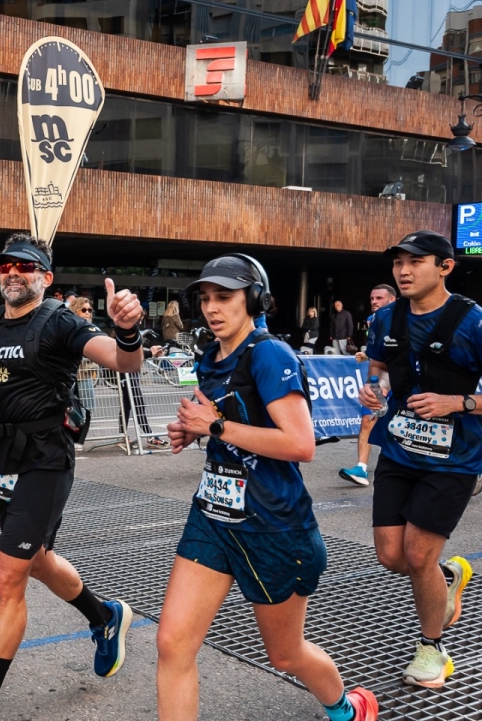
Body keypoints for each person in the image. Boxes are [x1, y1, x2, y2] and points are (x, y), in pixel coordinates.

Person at [158, 254, 378, 721]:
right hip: (213, 518)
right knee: (172, 644)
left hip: (274, 527)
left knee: (285, 655)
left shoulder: (270, 354)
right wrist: (195, 431)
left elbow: (301, 444)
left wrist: (214, 426)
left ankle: (346, 708)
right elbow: (231, 424)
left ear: (254, 300)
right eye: (206, 298)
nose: (212, 308)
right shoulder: (211, 358)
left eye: (225, 297)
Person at [0, 233, 142, 721]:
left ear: (45, 278)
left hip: (47, 459)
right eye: (5, 266)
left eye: (24, 266)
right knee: (37, 558)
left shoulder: (61, 322)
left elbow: (124, 361)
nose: (12, 272)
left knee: (9, 575)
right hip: (3, 456)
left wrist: (128, 331)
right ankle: (105, 617)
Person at [359, 231, 479, 690]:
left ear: (445, 267)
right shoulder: (385, 318)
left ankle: (433, 648)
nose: (403, 271)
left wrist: (459, 403)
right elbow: (380, 368)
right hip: (400, 449)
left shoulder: (473, 322)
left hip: (454, 460)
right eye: (397, 263)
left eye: (416, 262)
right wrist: (375, 389)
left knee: (417, 554)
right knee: (392, 557)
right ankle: (448, 575)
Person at [339, 285, 397, 487]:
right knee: (367, 419)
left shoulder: (406, 318)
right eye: (372, 298)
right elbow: (378, 353)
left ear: (391, 300)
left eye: (379, 298)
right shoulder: (373, 320)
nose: (374, 302)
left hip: (403, 381)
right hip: (380, 379)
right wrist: (367, 355)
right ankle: (361, 468)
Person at [69, 297, 100, 412]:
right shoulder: (70, 327)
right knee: (70, 409)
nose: (87, 312)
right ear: (75, 310)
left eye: (89, 310)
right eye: (83, 310)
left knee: (88, 408)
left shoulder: (92, 328)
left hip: (85, 374)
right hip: (70, 375)